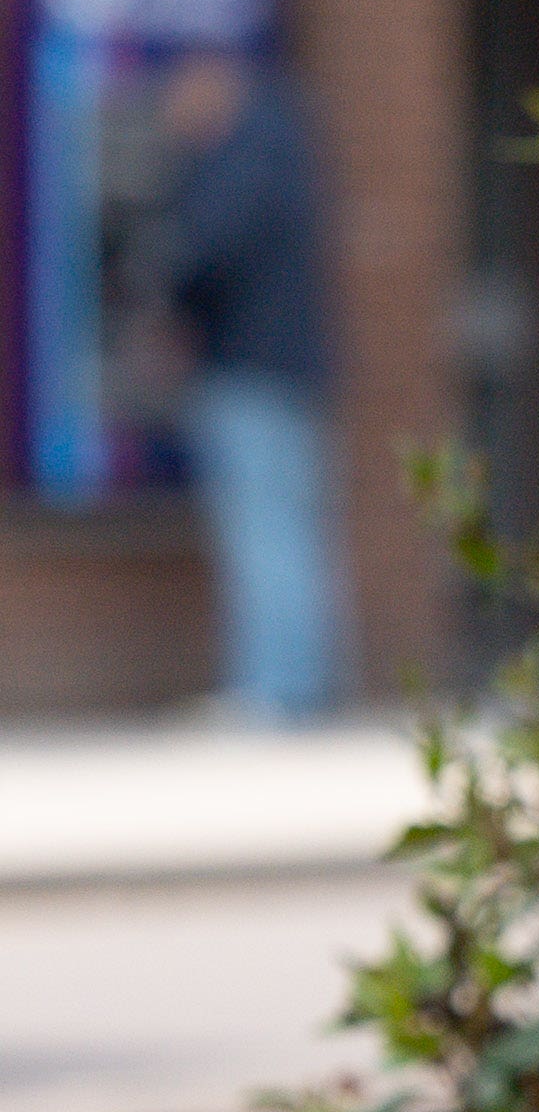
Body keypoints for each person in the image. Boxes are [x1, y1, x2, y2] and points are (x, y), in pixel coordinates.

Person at [159, 48, 340, 720]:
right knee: (290, 526)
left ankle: (276, 690)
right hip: (288, 372)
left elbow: (202, 254)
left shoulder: (240, 160)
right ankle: (299, 683)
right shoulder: (286, 150)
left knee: (264, 531)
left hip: (248, 370)